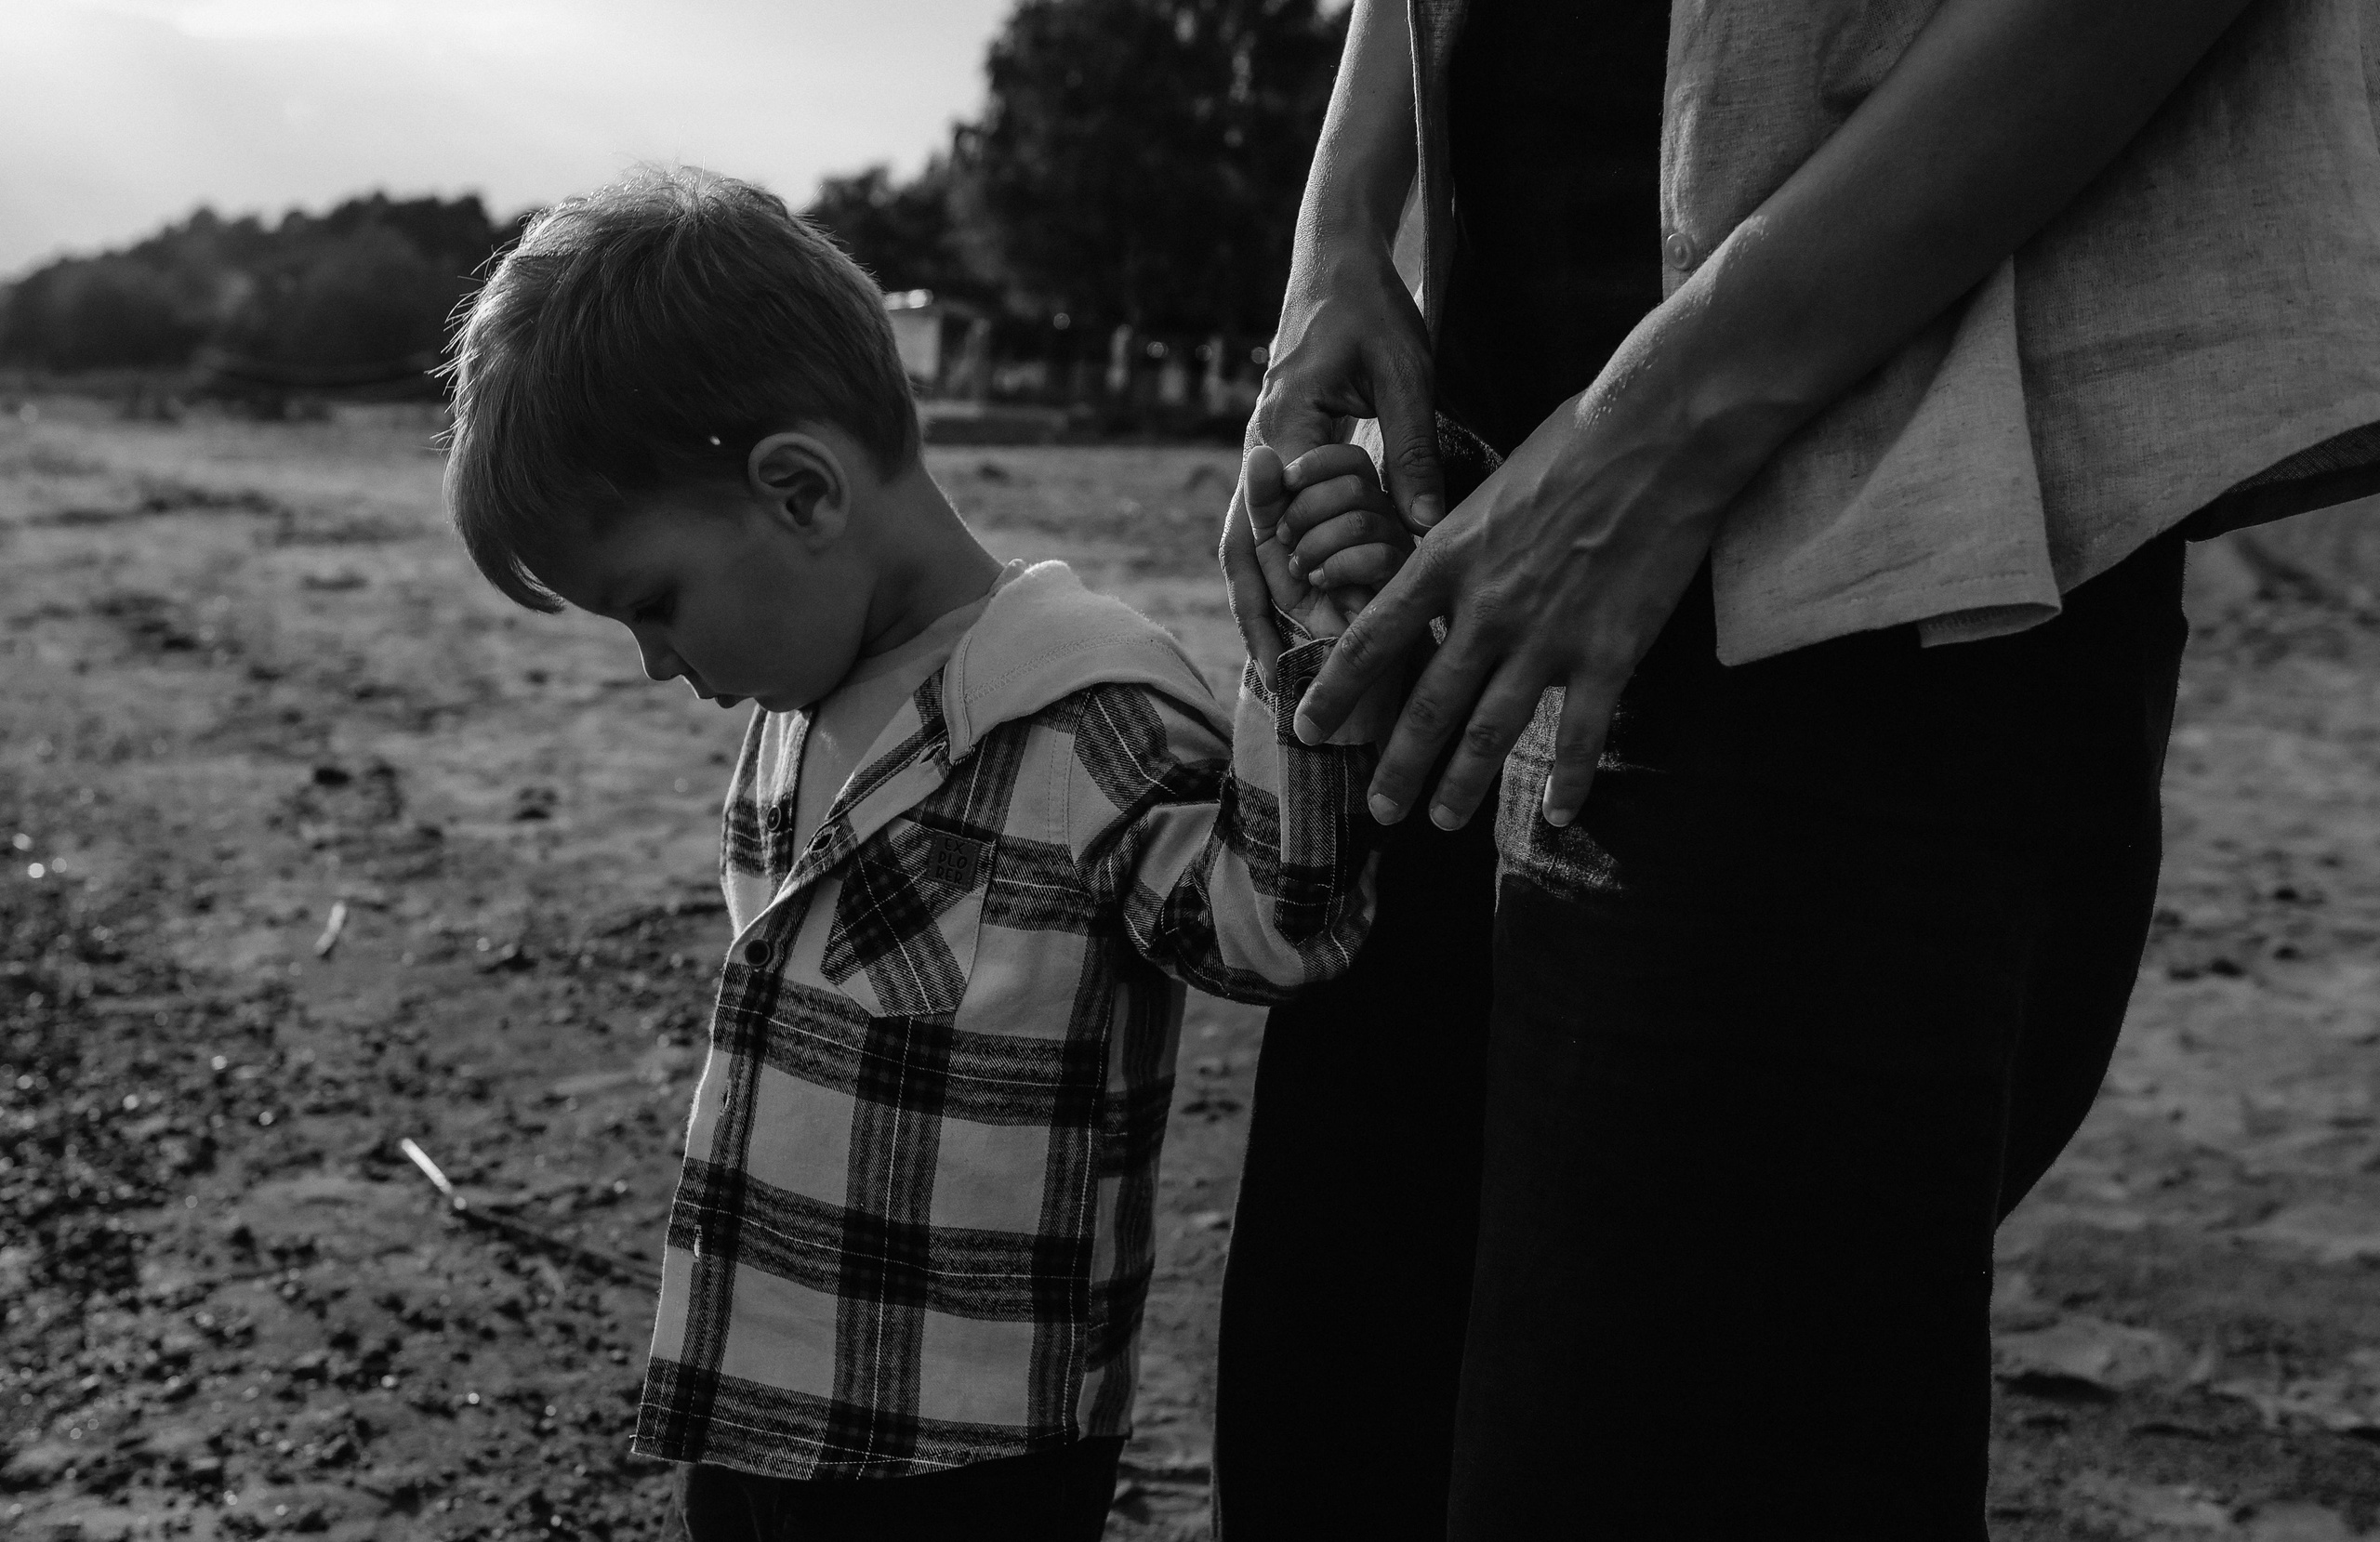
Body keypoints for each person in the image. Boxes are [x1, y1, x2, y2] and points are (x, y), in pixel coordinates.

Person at [1223, 0, 2380, 1535]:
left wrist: (1665, 421)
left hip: (1880, 502)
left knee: (1673, 1455)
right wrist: (1341, 230)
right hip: (1472, 479)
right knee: (1342, 1425)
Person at [440, 166, 1409, 1542]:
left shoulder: (1083, 710)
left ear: (800, 493)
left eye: (654, 604)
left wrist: (1308, 653)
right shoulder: (791, 709)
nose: (656, 662)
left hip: (966, 1455)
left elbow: (1277, 931)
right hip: (762, 1393)